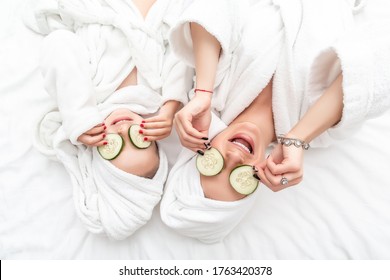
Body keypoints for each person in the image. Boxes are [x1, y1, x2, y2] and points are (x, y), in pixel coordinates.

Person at [171, 0, 390, 191]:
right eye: (241, 179)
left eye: (213, 165)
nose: (235, 158)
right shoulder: (317, 130)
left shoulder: (217, 90)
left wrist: (203, 93)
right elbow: (379, 65)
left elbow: (212, 8)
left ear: (201, 149)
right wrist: (298, 138)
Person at [27, 0, 193, 240]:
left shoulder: (87, 97)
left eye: (112, 146)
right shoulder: (158, 98)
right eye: (140, 139)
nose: (124, 129)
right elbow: (182, 55)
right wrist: (170, 108)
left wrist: (79, 115)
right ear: (156, 139)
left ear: (95, 148)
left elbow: (58, 42)